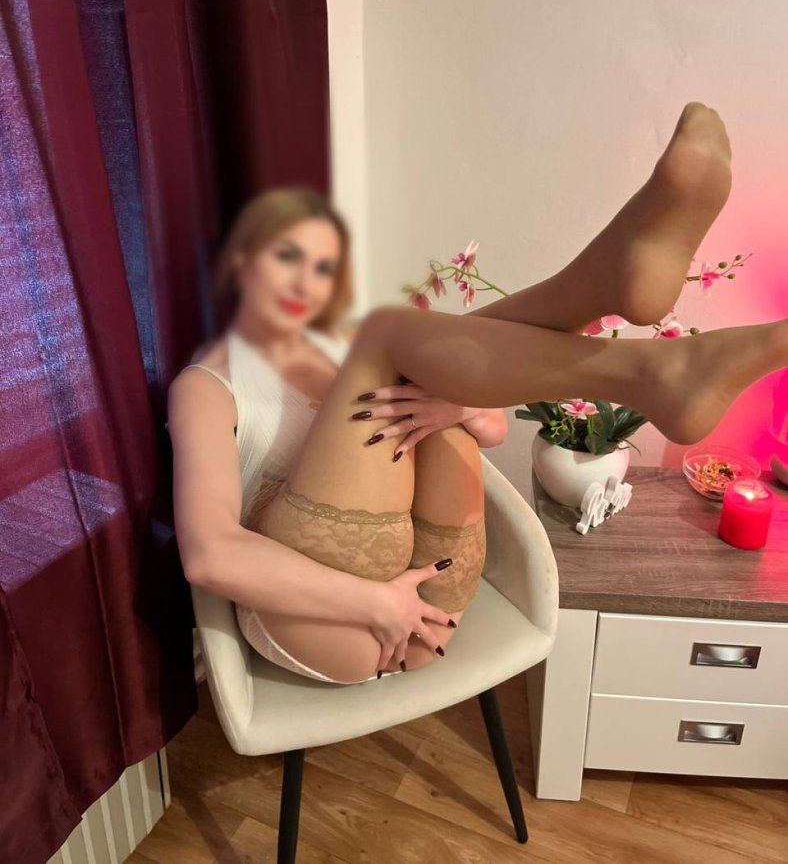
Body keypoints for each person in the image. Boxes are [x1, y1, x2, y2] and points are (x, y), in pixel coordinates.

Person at [168, 102, 786, 685]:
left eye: (322, 266)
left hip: (433, 601)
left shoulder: (344, 351)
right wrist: (377, 603)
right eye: (286, 259)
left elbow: (491, 429)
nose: (305, 281)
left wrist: (457, 403)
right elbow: (209, 555)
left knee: (411, 357)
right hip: (327, 622)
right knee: (391, 335)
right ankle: (625, 330)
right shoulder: (208, 385)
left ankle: (614, 288)